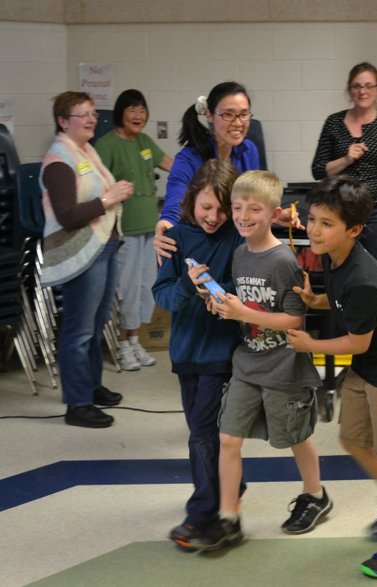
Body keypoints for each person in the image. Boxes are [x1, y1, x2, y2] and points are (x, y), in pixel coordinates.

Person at [177, 170, 332, 551]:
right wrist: (219, 304)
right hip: (248, 362)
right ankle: (228, 518)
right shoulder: (239, 253)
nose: (244, 216)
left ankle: (316, 495)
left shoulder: (283, 260)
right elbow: (242, 304)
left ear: (273, 212)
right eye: (238, 208)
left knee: (296, 436)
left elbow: (295, 320)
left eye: (255, 209)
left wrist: (242, 314)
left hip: (284, 366)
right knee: (228, 437)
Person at [287, 176, 377, 579]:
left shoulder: (364, 277)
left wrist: (309, 345)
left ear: (353, 230)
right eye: (313, 219)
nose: (314, 230)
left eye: (326, 223)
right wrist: (317, 299)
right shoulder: (334, 256)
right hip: (366, 372)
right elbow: (341, 301)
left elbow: (357, 342)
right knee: (353, 440)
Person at [151, 160, 244, 548]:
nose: (214, 217)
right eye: (207, 207)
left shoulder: (238, 238)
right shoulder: (176, 237)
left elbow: (246, 286)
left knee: (204, 436)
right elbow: (162, 293)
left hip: (222, 354)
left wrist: (220, 292)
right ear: (193, 200)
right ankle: (231, 489)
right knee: (200, 433)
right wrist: (190, 289)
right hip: (186, 352)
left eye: (223, 210)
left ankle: (202, 513)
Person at [40, 91, 134, 428]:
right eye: (82, 114)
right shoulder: (58, 160)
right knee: (78, 330)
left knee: (95, 326)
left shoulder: (85, 151)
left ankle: (91, 387)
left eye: (92, 113)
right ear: (64, 122)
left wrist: (114, 194)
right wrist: (110, 197)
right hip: (80, 251)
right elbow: (67, 215)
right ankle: (77, 404)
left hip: (102, 248)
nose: (91, 119)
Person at [96, 89, 173, 371]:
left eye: (142, 109)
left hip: (148, 229)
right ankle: (122, 343)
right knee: (126, 288)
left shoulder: (144, 141)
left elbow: (172, 166)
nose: (138, 115)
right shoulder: (106, 145)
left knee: (146, 287)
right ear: (120, 112)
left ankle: (135, 339)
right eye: (132, 109)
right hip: (123, 230)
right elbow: (96, 186)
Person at [311, 62, 377, 266]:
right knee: (339, 263)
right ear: (349, 90)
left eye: (368, 86)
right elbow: (318, 169)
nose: (362, 91)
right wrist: (346, 159)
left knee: (372, 266)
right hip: (339, 209)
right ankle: (338, 299)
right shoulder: (334, 122)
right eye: (356, 86)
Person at [153, 82, 259, 261]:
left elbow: (255, 198)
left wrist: (274, 214)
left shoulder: (249, 151)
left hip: (234, 244)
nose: (238, 122)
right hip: (198, 246)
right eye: (228, 115)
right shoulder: (189, 158)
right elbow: (176, 197)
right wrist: (167, 222)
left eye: (243, 114)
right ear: (209, 115)